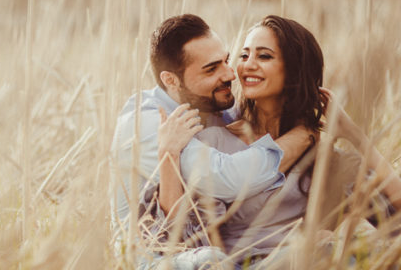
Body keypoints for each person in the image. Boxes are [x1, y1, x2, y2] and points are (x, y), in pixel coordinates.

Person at [158, 15, 401, 268]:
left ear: (294, 70)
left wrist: (353, 133)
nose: (247, 65)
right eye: (244, 55)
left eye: (264, 56)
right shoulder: (214, 142)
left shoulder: (320, 156)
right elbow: (184, 239)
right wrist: (168, 155)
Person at [111, 14, 316, 269]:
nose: (230, 74)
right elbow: (227, 179)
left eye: (226, 61)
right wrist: (307, 133)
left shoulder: (216, 108)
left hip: (207, 250)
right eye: (211, 69)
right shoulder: (145, 124)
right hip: (150, 258)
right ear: (170, 80)